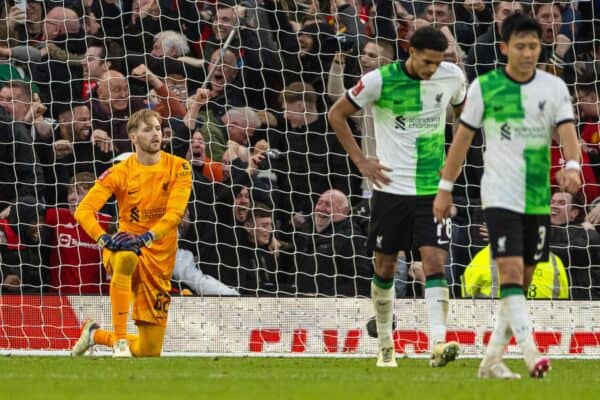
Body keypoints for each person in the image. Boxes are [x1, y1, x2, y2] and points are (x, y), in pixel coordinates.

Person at [433, 14, 581, 379]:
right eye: (520, 46)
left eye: (533, 46)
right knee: (511, 274)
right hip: (499, 194)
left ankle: (491, 360)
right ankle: (531, 354)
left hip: (537, 196)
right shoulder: (485, 87)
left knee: (524, 279)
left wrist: (574, 165)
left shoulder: (554, 88)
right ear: (504, 48)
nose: (528, 52)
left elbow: (567, 131)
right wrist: (445, 188)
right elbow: (462, 139)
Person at [328, 26, 467, 368]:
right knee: (386, 266)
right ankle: (386, 345)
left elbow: (465, 119)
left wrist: (455, 161)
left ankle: (438, 342)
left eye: (437, 63)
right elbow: (336, 114)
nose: (432, 69)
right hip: (390, 190)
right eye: (426, 61)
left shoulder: (453, 77)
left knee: (434, 262)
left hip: (432, 190)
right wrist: (361, 161)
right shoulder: (378, 80)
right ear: (410, 50)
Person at [71, 108, 192, 358]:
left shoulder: (180, 167)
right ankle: (120, 343)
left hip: (160, 257)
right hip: (126, 247)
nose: (155, 134)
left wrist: (146, 238)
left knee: (150, 350)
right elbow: (83, 210)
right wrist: (104, 239)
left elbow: (175, 214)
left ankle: (96, 334)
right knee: (126, 257)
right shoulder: (120, 172)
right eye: (148, 129)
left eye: (158, 128)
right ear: (133, 137)